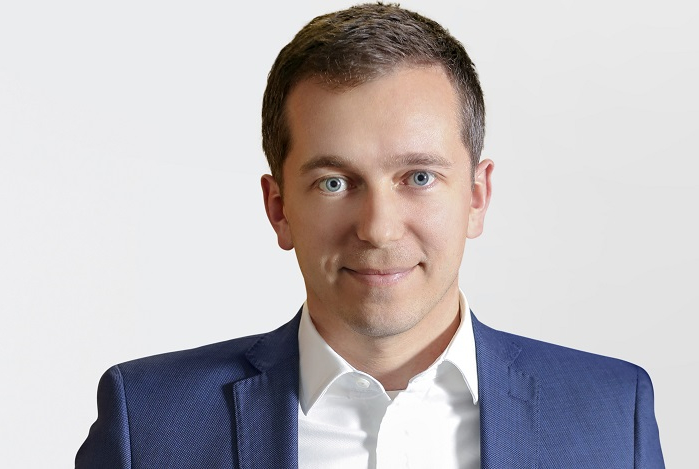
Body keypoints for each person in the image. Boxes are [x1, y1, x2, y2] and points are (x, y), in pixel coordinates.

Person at [76, 3, 664, 468]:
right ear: (278, 208)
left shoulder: (613, 415)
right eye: (334, 182)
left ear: (477, 196)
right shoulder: (148, 424)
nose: (378, 229)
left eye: (419, 177)